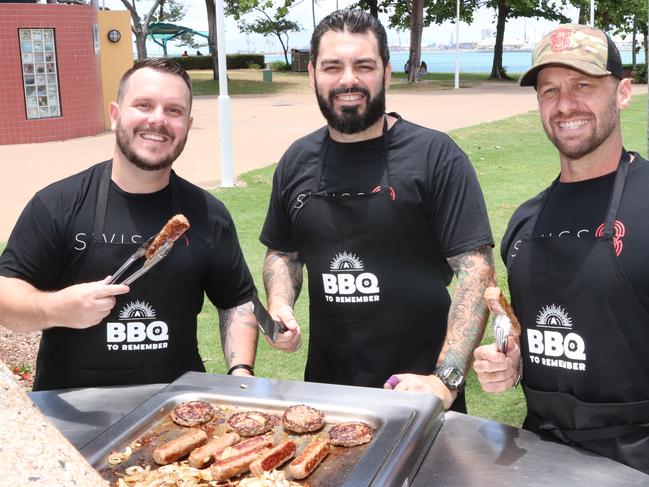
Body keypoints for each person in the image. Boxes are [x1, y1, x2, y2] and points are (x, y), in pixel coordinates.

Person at [260, 9, 494, 411]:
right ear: (313, 73)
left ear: (385, 73)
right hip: (326, 399)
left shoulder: (435, 156)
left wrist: (446, 379)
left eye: (363, 65)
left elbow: (476, 271)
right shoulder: (296, 160)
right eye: (333, 66)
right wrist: (281, 303)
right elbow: (284, 252)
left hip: (419, 399)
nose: (348, 79)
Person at [0, 59, 259, 391]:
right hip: (70, 415)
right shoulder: (57, 205)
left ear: (187, 125)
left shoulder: (208, 214)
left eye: (174, 110)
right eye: (144, 105)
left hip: (178, 412)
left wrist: (240, 371)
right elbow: (6, 295)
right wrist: (57, 308)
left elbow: (235, 301)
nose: (158, 119)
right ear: (115, 114)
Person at [473, 25, 649, 473]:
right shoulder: (525, 222)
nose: (565, 104)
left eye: (583, 85)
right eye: (549, 90)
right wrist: (511, 365)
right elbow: (543, 336)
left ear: (623, 92)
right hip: (541, 456)